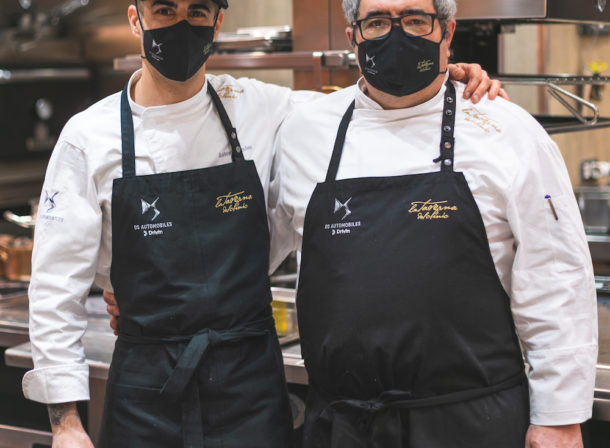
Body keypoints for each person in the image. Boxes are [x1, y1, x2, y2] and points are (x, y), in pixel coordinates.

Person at [23, 0, 502, 446]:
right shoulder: (88, 137)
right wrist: (65, 423)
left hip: (249, 380)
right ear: (135, 19)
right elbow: (54, 287)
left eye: (197, 11)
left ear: (216, 23)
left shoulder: (263, 108)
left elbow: (374, 105)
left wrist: (445, 76)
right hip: (147, 386)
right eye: (164, 9)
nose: (181, 25)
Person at [269, 0, 598, 447]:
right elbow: (258, 250)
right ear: (352, 36)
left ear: (447, 32)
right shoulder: (304, 130)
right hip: (343, 423)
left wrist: (558, 417)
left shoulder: (507, 130)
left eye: (416, 20)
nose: (397, 35)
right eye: (378, 22)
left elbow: (556, 275)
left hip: (471, 420)